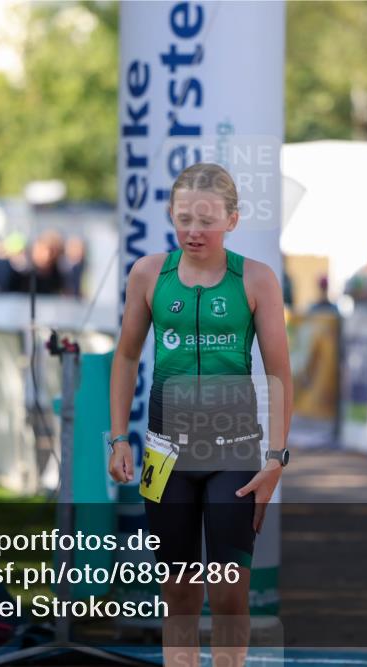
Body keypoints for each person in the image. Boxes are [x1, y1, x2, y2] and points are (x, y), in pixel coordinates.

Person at [108, 163, 293, 667]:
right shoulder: (149, 274)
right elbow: (126, 356)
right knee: (179, 593)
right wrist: (118, 437)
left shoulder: (256, 279)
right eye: (184, 217)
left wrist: (276, 458)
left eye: (206, 220)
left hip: (233, 450)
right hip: (164, 453)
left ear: (232, 221)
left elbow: (279, 373)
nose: (194, 230)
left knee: (229, 591)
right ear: (171, 213)